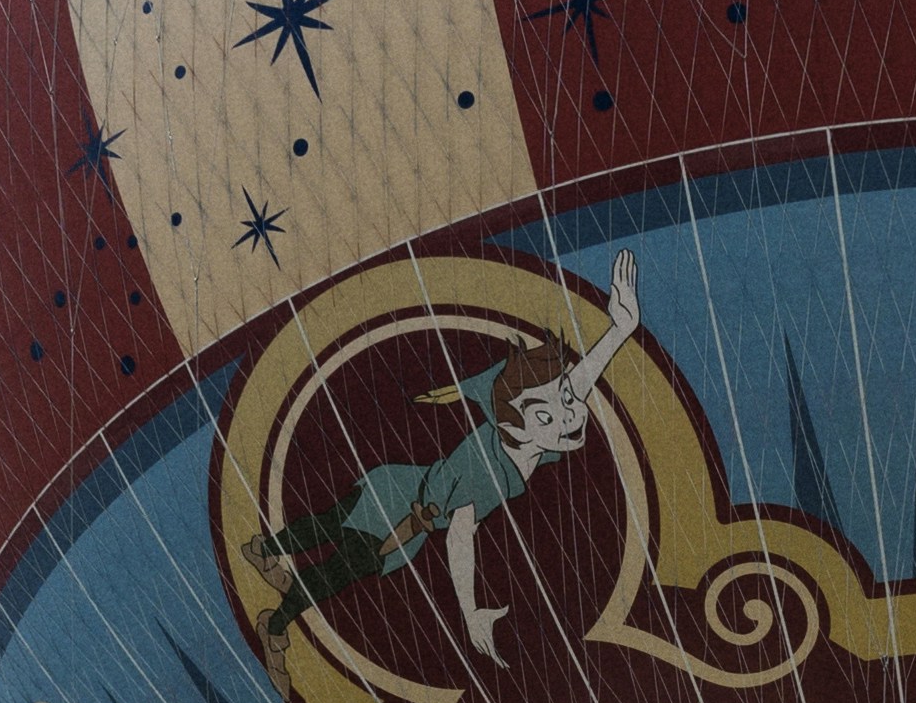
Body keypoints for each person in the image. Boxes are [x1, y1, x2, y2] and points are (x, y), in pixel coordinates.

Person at [248, 253, 641, 658]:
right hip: (399, 512)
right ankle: (274, 624)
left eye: (563, 400)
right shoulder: (488, 473)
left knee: (330, 529)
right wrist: (470, 614)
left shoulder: (529, 442)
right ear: (514, 426)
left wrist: (621, 328)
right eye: (546, 414)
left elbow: (574, 383)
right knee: (335, 567)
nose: (572, 411)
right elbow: (459, 537)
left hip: (399, 493)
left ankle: (263, 551)